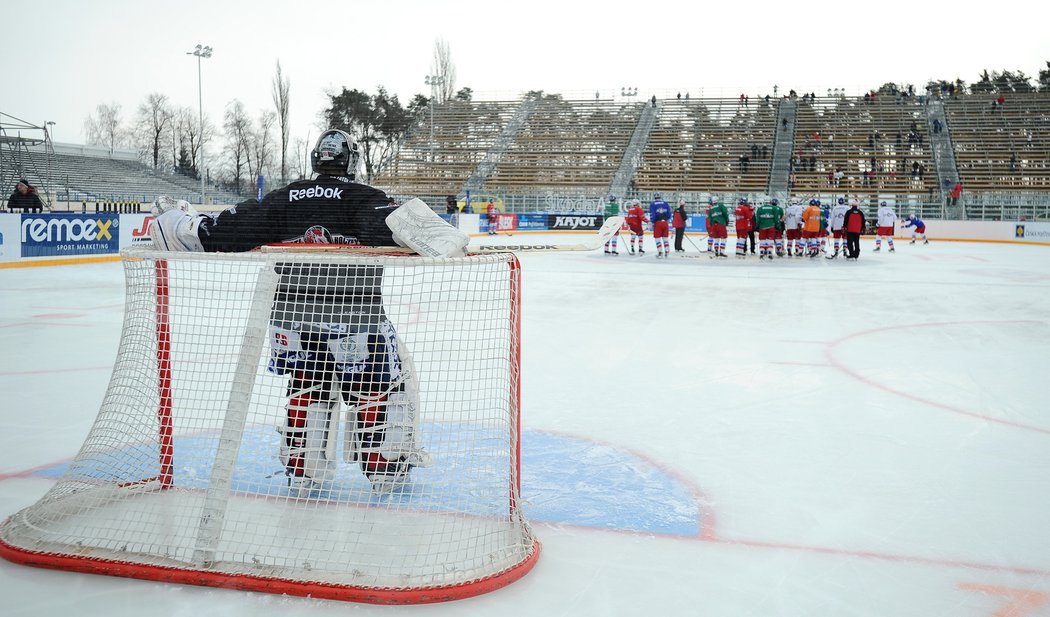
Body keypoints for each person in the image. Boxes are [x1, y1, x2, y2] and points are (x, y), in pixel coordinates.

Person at [149, 129, 468, 496]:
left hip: (290, 320)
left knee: (308, 387)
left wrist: (176, 217)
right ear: (351, 161)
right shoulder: (363, 198)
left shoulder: (282, 200)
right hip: (354, 317)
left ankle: (303, 471)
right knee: (383, 387)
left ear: (317, 158)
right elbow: (430, 236)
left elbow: (213, 235)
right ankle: (386, 468)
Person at [649, 193, 672, 258]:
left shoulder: (653, 204)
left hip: (658, 223)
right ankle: (667, 250)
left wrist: (652, 221)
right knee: (665, 238)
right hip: (665, 222)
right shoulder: (665, 203)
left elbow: (652, 214)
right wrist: (666, 219)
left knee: (657, 238)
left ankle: (660, 252)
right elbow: (669, 214)